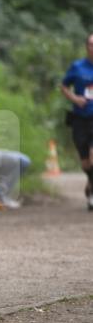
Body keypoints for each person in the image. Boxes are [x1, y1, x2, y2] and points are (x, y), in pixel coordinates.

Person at [61, 33, 93, 211]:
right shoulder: (77, 67)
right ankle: (90, 182)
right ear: (87, 47)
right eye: (91, 44)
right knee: (86, 163)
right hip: (80, 118)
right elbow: (64, 86)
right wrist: (75, 98)